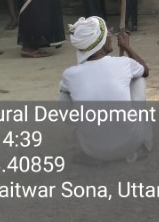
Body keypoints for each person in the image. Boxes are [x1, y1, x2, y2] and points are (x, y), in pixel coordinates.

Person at [59, 17, 151, 163]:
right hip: (131, 144)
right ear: (100, 42)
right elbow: (145, 70)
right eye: (107, 33)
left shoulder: (70, 74)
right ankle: (142, 142)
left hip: (92, 150)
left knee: (64, 92)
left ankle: (86, 136)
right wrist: (126, 46)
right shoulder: (123, 63)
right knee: (138, 79)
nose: (110, 36)